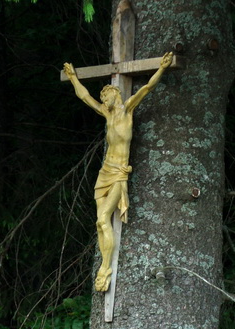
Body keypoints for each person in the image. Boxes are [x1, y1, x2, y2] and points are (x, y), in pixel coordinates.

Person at [63, 52, 173, 292]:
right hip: (105, 172)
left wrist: (162, 68)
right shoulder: (107, 114)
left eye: (106, 94)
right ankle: (105, 264)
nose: (103, 99)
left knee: (104, 219)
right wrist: (72, 78)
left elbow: (146, 89)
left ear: (116, 94)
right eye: (102, 96)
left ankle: (105, 267)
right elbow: (85, 97)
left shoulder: (127, 110)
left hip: (119, 174)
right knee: (99, 223)